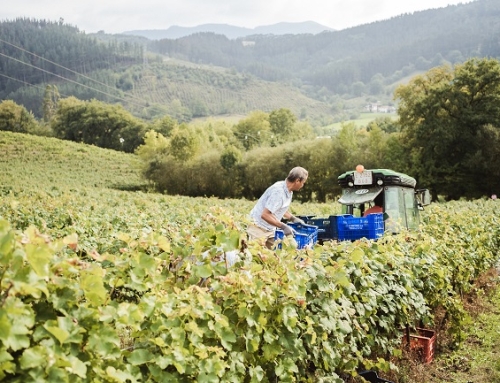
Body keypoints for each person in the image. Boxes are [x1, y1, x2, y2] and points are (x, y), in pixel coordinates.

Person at [247, 167, 308, 249]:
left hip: (270, 229)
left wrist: (293, 218)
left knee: (275, 256)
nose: (302, 185)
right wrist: (284, 226)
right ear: (297, 180)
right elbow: (265, 215)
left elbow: (279, 208)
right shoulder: (278, 192)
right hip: (258, 228)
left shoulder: (289, 191)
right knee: (257, 256)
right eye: (303, 182)